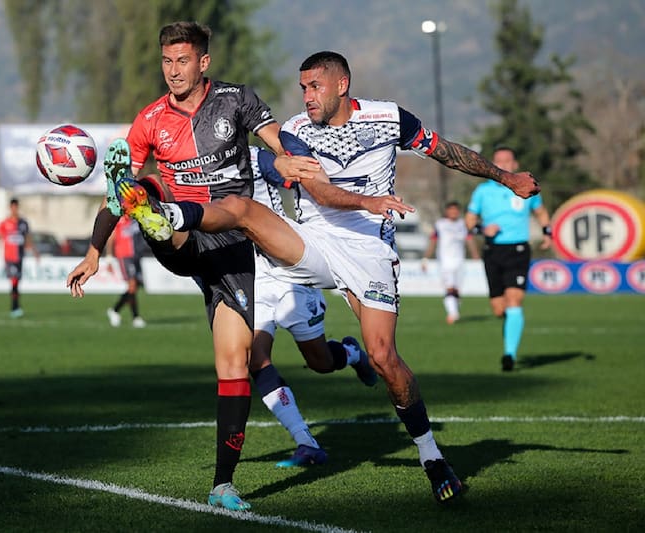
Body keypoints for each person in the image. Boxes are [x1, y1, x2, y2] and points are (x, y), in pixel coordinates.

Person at [115, 51, 542, 504]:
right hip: (314, 241)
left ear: (342, 84)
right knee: (244, 213)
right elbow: (316, 190)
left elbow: (445, 151)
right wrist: (364, 200)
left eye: (314, 86)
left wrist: (505, 177)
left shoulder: (389, 118)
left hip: (370, 250)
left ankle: (432, 456)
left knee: (384, 359)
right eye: (302, 88)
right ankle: (169, 217)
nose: (306, 97)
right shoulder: (295, 132)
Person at [66, 21, 284, 511]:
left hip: (231, 244)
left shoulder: (236, 100)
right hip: (183, 236)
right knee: (145, 195)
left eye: (182, 61)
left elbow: (277, 142)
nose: (173, 71)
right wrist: (95, 249)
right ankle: (153, 212)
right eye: (166, 62)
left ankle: (223, 484)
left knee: (233, 364)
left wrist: (289, 162)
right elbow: (112, 203)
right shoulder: (149, 120)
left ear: (203, 62)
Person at [248, 145, 378, 468]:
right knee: (255, 358)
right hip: (253, 278)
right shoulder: (199, 170)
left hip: (290, 270)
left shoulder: (255, 157)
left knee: (319, 361)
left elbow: (291, 173)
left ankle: (351, 353)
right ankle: (306, 441)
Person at [464, 146, 552, 372]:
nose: (503, 165)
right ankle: (510, 334)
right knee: (499, 309)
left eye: (507, 161)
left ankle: (509, 355)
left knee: (514, 302)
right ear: (492, 165)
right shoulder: (483, 192)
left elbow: (540, 211)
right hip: (493, 251)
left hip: (518, 250)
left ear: (515, 164)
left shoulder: (526, 187)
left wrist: (547, 232)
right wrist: (483, 228)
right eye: (498, 162)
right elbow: (470, 220)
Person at [421, 201, 480, 324]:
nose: (454, 212)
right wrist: (426, 258)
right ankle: (453, 314)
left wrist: (475, 255)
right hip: (444, 262)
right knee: (450, 288)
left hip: (459, 261)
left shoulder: (462, 224)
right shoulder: (440, 224)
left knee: (457, 290)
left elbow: (469, 239)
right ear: (447, 211)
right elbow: (433, 241)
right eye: (451, 210)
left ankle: (455, 311)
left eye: (456, 210)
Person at [0, 197, 39, 318]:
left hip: (20, 257)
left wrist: (35, 252)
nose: (14, 209)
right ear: (10, 208)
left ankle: (16, 307)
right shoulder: (4, 224)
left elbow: (28, 239)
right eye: (12, 207)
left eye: (16, 207)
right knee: (14, 281)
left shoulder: (23, 223)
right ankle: (14, 307)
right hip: (9, 257)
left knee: (17, 282)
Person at [106, 213, 147, 328]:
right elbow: (111, 238)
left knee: (136, 285)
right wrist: (109, 258)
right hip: (124, 255)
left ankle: (115, 310)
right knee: (132, 285)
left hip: (136, 256)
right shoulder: (119, 219)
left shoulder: (136, 218)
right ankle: (136, 317)